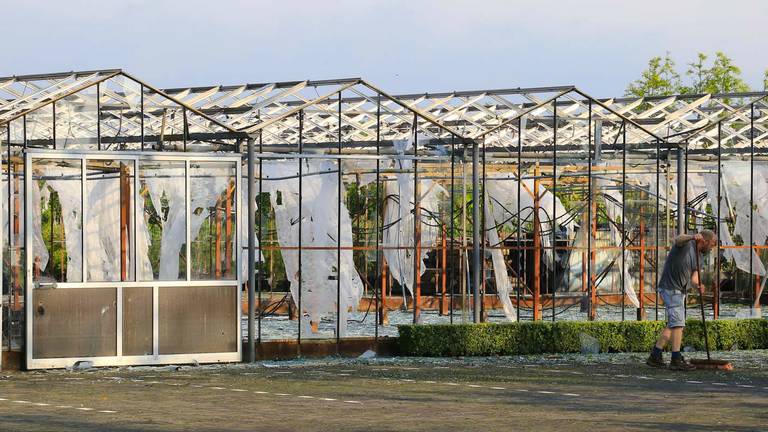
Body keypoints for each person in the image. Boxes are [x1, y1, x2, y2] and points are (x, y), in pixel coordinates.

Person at [647, 230, 717, 371]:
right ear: (705, 241)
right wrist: (692, 236)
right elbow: (677, 239)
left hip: (680, 291)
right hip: (670, 288)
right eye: (712, 244)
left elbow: (694, 278)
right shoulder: (686, 244)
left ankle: (655, 354)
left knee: (674, 324)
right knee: (678, 323)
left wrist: (699, 285)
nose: (712, 248)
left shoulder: (700, 257)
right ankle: (676, 358)